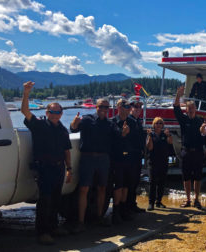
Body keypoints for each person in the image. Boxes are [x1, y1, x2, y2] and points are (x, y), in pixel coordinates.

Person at [21, 81, 72, 245]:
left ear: (61, 113)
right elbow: (25, 111)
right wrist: (26, 93)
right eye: (52, 111)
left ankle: (54, 227)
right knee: (45, 200)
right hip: (44, 168)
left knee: (56, 199)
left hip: (59, 168)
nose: (55, 114)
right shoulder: (40, 125)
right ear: (47, 112)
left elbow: (66, 150)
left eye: (58, 111)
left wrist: (69, 168)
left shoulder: (63, 129)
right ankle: (43, 232)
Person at [70, 98, 129, 232]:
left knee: (102, 188)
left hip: (103, 159)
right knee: (84, 189)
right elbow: (73, 130)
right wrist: (73, 124)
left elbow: (119, 136)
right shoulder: (86, 119)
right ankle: (80, 221)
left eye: (106, 107)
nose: (103, 109)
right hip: (87, 158)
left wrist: (124, 133)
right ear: (96, 107)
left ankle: (99, 217)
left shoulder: (110, 124)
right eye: (101, 106)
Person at [174, 85, 205, 209]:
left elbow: (205, 136)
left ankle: (196, 200)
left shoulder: (200, 121)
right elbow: (176, 108)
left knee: (197, 177)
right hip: (185, 152)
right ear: (186, 110)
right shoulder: (183, 119)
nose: (191, 110)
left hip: (198, 152)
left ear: (195, 109)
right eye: (189, 108)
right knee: (186, 177)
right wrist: (178, 95)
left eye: (192, 108)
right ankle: (187, 199)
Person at [110, 99, 133, 224]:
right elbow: (112, 140)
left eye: (128, 106)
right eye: (124, 106)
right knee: (118, 186)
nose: (127, 108)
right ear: (118, 107)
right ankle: (116, 212)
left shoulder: (132, 122)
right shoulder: (112, 122)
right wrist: (122, 134)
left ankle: (124, 210)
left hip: (129, 158)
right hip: (117, 158)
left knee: (126, 185)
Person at [124, 100, 147, 214]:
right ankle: (127, 206)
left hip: (138, 154)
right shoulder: (128, 120)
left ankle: (132, 204)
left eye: (140, 107)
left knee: (136, 180)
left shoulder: (138, 121)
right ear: (131, 108)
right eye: (136, 107)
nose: (138, 109)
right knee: (130, 181)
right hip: (130, 155)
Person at [146, 117, 174, 210]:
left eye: (160, 123)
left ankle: (159, 201)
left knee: (161, 183)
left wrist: (169, 135)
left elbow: (170, 143)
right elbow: (149, 148)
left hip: (163, 161)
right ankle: (151, 203)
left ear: (162, 125)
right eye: (157, 123)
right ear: (153, 125)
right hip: (153, 162)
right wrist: (149, 136)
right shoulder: (151, 134)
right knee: (152, 183)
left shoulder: (164, 134)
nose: (158, 125)